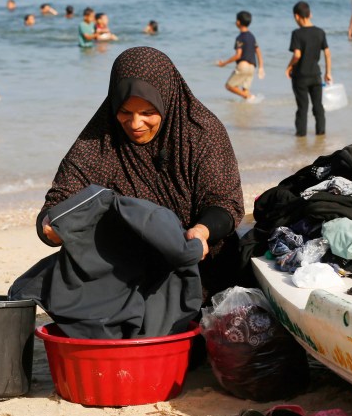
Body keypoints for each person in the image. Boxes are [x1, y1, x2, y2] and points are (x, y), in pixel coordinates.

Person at [37, 46, 246, 302]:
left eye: (148, 113)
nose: (135, 124)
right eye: (125, 112)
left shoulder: (202, 133)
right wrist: (49, 225)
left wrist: (202, 231)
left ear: (167, 100)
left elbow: (225, 202)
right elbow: (60, 200)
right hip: (130, 274)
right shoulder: (100, 140)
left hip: (203, 267)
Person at [286, 1, 332, 137]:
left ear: (296, 16)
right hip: (316, 75)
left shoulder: (297, 34)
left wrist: (289, 66)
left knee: (302, 107)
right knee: (318, 106)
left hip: (300, 76)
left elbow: (297, 55)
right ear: (309, 14)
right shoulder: (320, 32)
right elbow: (327, 54)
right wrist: (328, 73)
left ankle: (301, 136)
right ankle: (321, 134)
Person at [216, 10, 265, 101]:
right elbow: (258, 51)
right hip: (252, 67)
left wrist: (224, 63)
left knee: (229, 86)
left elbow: (238, 55)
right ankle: (246, 110)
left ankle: (250, 97)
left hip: (243, 66)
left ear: (238, 22)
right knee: (245, 90)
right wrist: (261, 67)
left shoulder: (240, 38)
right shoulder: (252, 36)